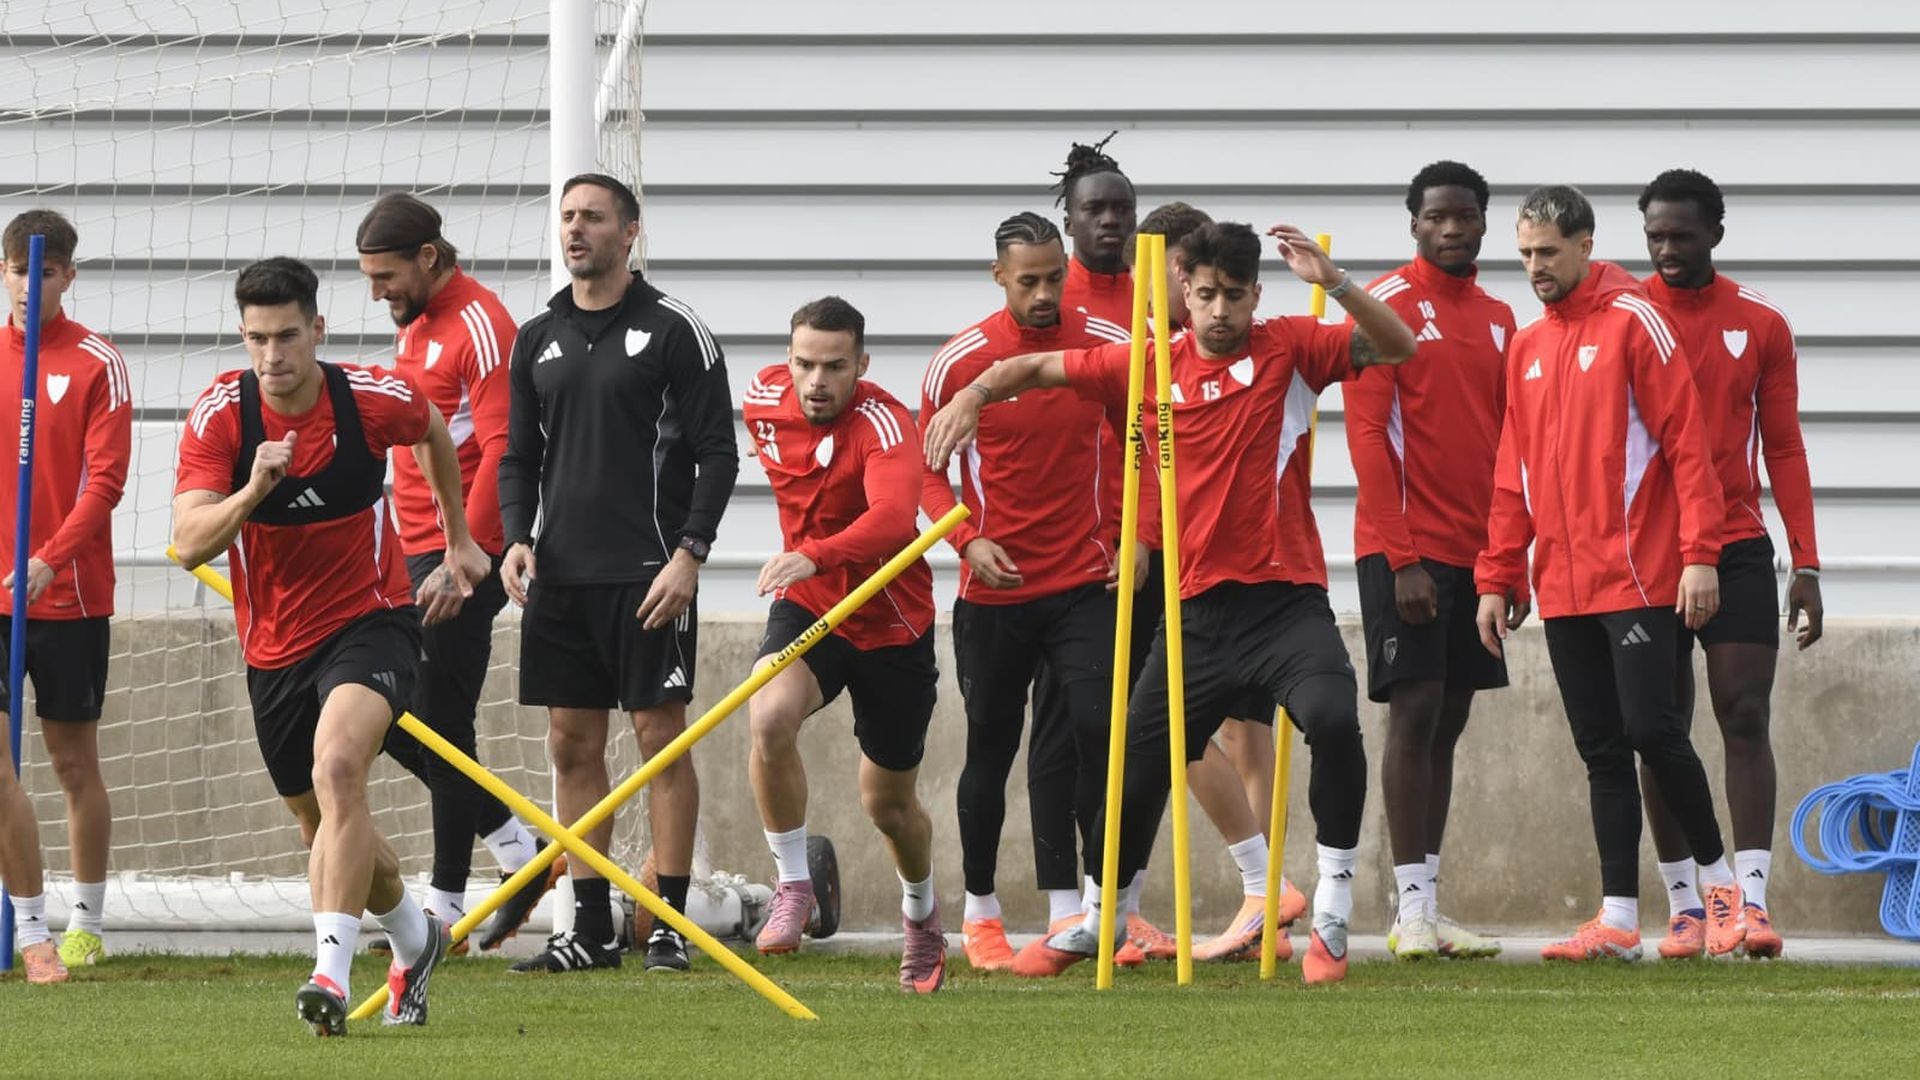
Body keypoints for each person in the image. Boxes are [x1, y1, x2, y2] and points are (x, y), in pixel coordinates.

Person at [926, 221, 1417, 985]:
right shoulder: (1149, 363)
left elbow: (1398, 344)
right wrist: (975, 392)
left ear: (1258, 295)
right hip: (1196, 619)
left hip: (1285, 604)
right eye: (1207, 295)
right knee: (1131, 762)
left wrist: (1337, 279)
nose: (1220, 311)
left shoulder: (1291, 346)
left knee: (1330, 719)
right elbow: (1040, 368)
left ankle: (1332, 909)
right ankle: (1102, 920)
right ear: (1184, 293)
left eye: (1235, 297)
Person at [173, 256, 489, 1033]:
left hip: (371, 620)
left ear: (317, 329)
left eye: (287, 337)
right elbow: (186, 544)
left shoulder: (370, 398)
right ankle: (416, 937)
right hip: (273, 647)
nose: (273, 357)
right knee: (327, 831)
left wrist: (459, 541)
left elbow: (434, 431)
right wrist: (252, 490)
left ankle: (331, 979)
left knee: (340, 766)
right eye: (256, 339)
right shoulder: (221, 415)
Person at [1475, 185, 1742, 962]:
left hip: (1639, 575)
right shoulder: (1525, 346)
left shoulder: (1635, 321)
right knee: (1600, 749)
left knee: (1653, 731)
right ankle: (1620, 919)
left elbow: (1689, 448)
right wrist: (1497, 576)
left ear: (1586, 244)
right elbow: (1509, 475)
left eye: (1548, 253)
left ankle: (1724, 894)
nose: (1535, 268)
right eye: (1525, 254)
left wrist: (1700, 556)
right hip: (1560, 585)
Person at [497, 173, 739, 973]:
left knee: (658, 741)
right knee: (571, 744)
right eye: (566, 217)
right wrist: (515, 538)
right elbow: (519, 455)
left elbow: (716, 452)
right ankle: (591, 925)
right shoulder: (536, 336)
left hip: (650, 576)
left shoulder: (676, 330)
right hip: (561, 577)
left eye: (593, 218)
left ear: (629, 232)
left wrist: (690, 554)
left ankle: (669, 921)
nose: (576, 230)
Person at [918, 213, 1131, 972]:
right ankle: (980, 914)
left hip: (1084, 581)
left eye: (1055, 278)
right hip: (995, 590)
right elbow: (927, 470)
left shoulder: (1104, 342)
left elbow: (1140, 440)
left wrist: (1132, 539)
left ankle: (1098, 912)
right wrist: (965, 537)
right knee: (992, 749)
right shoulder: (959, 362)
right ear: (999, 277)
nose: (1045, 294)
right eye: (1029, 280)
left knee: (1101, 734)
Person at [352, 193, 550, 953]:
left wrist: (469, 554)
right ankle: (515, 848)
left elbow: (504, 446)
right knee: (395, 717)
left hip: (462, 553)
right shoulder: (419, 328)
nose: (378, 293)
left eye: (387, 276)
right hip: (411, 552)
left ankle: (443, 915)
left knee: (438, 720)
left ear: (429, 258)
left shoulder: (480, 323)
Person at [1637, 168, 1821, 959]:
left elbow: (1782, 444)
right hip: (1648, 549)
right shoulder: (1628, 316)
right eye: (1655, 236)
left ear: (1716, 231)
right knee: (1660, 730)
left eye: (1682, 234)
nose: (1668, 249)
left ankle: (1749, 902)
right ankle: (1687, 906)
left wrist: (1807, 561)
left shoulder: (1761, 323)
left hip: (1740, 548)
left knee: (1743, 714)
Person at [744, 297, 947, 994]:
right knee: (768, 717)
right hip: (809, 603)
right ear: (788, 358)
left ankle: (921, 915)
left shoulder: (886, 422)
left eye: (835, 366)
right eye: (805, 363)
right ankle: (794, 885)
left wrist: (816, 552)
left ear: (861, 364)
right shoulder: (762, 399)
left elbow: (894, 519)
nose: (817, 380)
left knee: (887, 805)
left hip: (891, 620)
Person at [1346, 162, 1517, 960]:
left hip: (1477, 556)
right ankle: (1407, 908)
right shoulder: (1382, 312)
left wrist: (1506, 562)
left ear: (1484, 223)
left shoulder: (1501, 317)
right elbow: (1366, 437)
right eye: (1437, 217)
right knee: (1412, 714)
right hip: (1404, 553)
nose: (1452, 229)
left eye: (1467, 217)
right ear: (1413, 222)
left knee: (1449, 722)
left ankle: (1428, 902)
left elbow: (1513, 447)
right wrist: (1400, 555)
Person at [1133, 200, 1309, 964]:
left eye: (1208, 283)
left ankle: (1264, 890)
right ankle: (1255, 892)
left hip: (1241, 566)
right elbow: (1142, 448)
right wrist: (1138, 536)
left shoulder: (1254, 346)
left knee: (1238, 726)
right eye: (1184, 279)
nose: (1194, 293)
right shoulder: (1150, 349)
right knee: (1173, 728)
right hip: (1166, 552)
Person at [0, 209, 130, 982]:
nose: (28, 282)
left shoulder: (95, 362)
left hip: (69, 595)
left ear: (67, 276)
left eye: (43, 271)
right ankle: (27, 922)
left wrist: (50, 558)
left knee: (71, 762)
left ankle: (86, 918)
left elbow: (105, 481)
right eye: (17, 269)